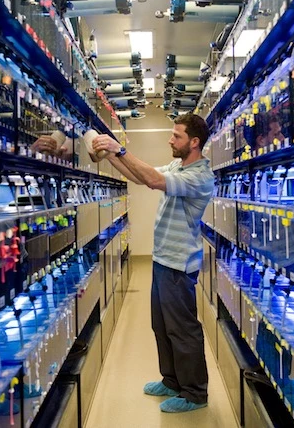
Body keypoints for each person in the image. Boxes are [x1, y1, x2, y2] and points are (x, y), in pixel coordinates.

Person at [91, 114, 215, 414]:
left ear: (194, 142)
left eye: (177, 136)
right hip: (162, 260)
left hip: (178, 264)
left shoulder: (200, 176)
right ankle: (172, 381)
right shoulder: (177, 165)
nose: (170, 140)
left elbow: (153, 179)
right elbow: (139, 176)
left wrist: (119, 149)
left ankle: (195, 393)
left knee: (183, 330)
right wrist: (108, 154)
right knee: (161, 326)